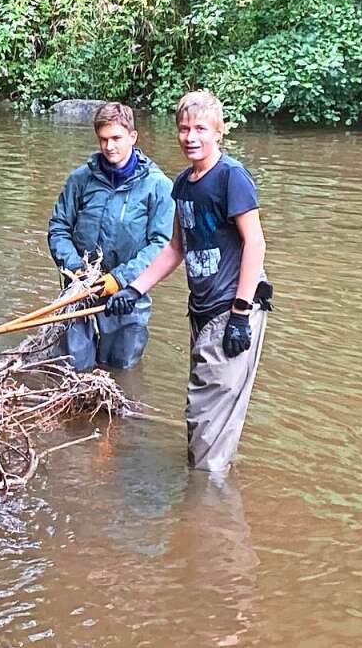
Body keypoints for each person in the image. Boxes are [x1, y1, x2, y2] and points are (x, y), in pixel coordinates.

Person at [105, 91, 272, 472]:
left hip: (232, 308)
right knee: (204, 412)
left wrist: (242, 314)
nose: (190, 137)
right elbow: (176, 248)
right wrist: (134, 289)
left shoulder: (231, 178)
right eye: (183, 129)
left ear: (219, 132)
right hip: (202, 311)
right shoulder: (183, 184)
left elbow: (256, 242)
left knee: (207, 412)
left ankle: (206, 504)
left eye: (200, 128)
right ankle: (208, 492)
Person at [47, 102, 174, 371]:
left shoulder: (158, 186)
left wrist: (121, 279)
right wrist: (75, 269)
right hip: (79, 287)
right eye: (103, 139)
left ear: (133, 137)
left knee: (121, 370)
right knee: (72, 368)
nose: (109, 146)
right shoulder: (80, 180)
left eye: (116, 138)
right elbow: (58, 227)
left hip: (128, 292)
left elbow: (161, 244)